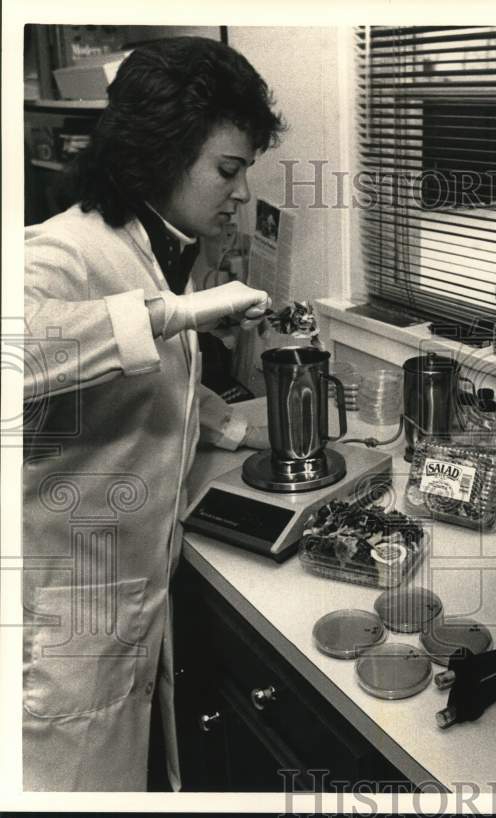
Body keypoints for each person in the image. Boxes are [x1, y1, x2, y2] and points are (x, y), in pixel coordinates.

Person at [21, 36, 285, 791]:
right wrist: (174, 314)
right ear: (162, 154)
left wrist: (233, 426)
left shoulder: (151, 247)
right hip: (65, 632)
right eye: (227, 171)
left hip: (131, 610)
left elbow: (145, 385)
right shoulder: (60, 250)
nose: (239, 193)